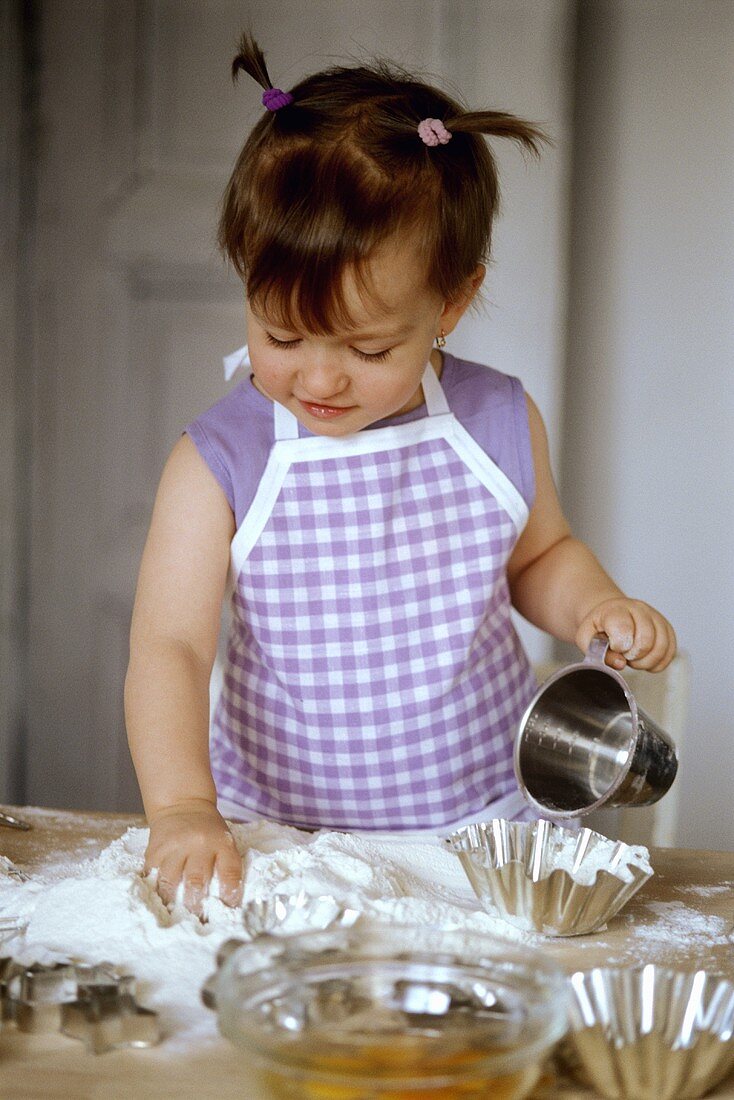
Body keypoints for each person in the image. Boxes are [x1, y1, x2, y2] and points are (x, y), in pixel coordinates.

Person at [124, 32, 676, 915]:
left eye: (368, 346)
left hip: (484, 835)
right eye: (281, 335)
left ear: (451, 302)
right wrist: (184, 806)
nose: (319, 378)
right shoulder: (219, 461)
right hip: (282, 842)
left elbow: (538, 558)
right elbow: (173, 648)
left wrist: (593, 606)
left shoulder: (497, 420)